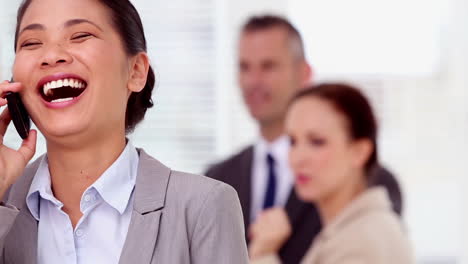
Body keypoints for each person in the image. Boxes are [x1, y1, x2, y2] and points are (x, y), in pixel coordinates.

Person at [0, 0, 248, 263]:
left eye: (81, 35)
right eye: (31, 43)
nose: (51, 56)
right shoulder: (3, 200)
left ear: (136, 71)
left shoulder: (202, 207)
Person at [205, 15, 402, 263]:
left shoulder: (372, 183)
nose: (253, 81)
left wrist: (264, 253)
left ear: (304, 73)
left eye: (268, 66)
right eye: (244, 67)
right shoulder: (216, 179)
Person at [250, 83, 414, 264]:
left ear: (359, 152)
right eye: (293, 142)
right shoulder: (345, 232)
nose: (298, 158)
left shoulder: (360, 243)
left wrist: (263, 254)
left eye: (317, 142)